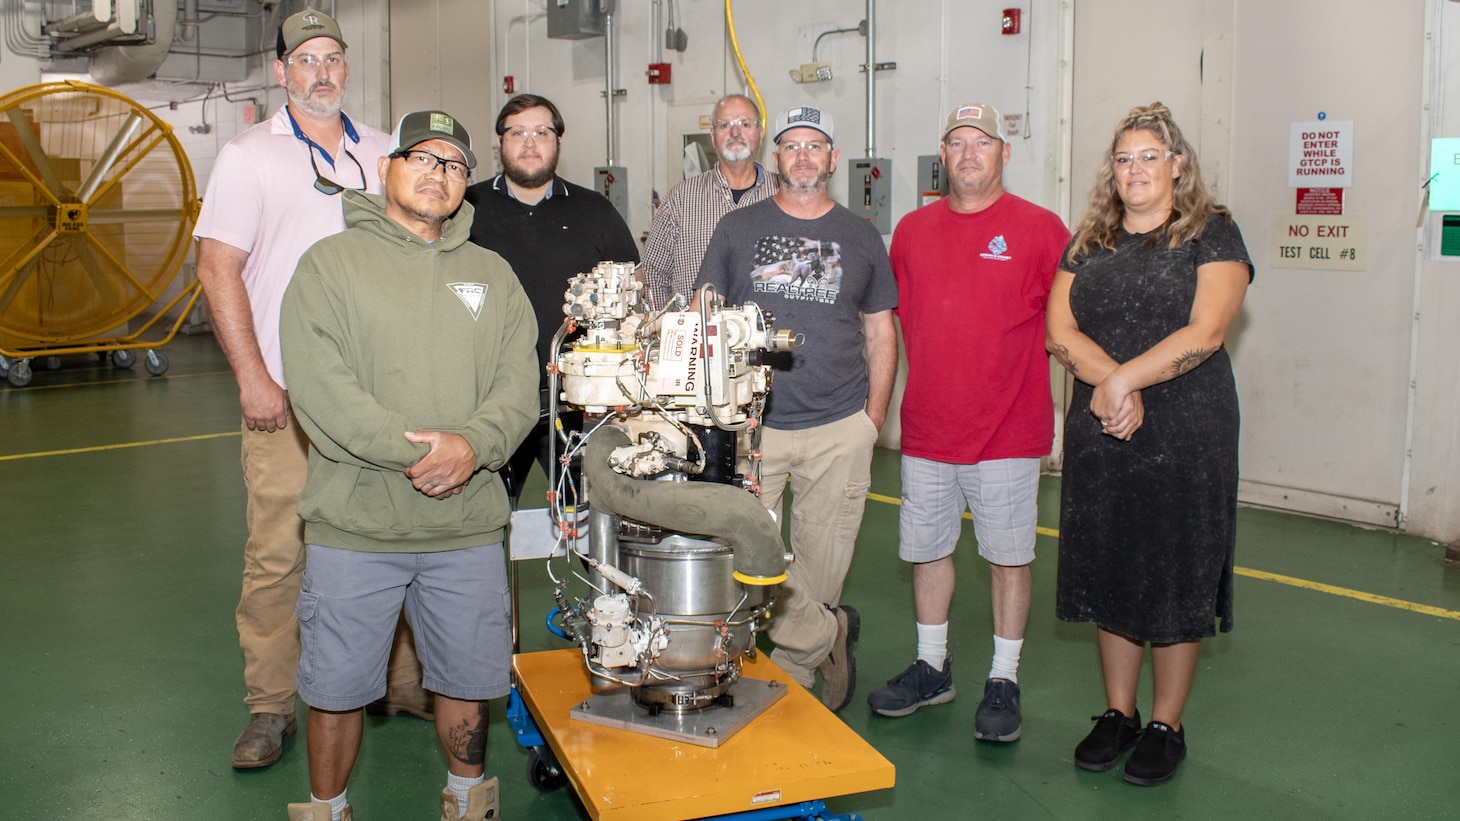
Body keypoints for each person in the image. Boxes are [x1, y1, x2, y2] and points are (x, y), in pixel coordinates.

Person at [278, 110, 539, 821]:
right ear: (386, 167)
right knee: (335, 688)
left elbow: (520, 384)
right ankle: (327, 809)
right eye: (421, 157)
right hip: (356, 526)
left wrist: (473, 447)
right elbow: (322, 389)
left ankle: (468, 803)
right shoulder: (330, 265)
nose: (437, 173)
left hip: (465, 527)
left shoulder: (492, 274)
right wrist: (424, 454)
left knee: (468, 678)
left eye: (453, 164)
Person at [193, 9, 427, 771]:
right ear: (282, 72)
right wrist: (254, 377)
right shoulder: (249, 156)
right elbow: (217, 267)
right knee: (278, 553)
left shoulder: (385, 151)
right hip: (289, 397)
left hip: (381, 393)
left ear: (346, 68)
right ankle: (270, 704)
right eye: (306, 59)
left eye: (332, 57)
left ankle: (399, 681)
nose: (321, 72)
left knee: (393, 538)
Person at [1046, 102, 1252, 786]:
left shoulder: (1212, 232)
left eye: (1149, 157)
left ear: (1178, 165)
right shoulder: (1089, 239)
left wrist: (1123, 380)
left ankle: (1166, 722)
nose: (1134, 169)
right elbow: (1059, 329)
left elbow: (1207, 330)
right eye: (1123, 158)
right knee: (1110, 563)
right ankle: (1118, 712)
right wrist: (1114, 385)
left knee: (1173, 569)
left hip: (1187, 429)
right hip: (1103, 426)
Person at [867, 103, 1069, 743]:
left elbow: (1067, 326)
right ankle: (933, 666)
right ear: (943, 156)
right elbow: (888, 325)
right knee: (928, 550)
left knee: (1009, 558)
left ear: (1004, 152)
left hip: (1007, 430)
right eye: (957, 142)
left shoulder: (1041, 230)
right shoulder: (911, 231)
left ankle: (1004, 678)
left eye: (982, 141)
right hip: (928, 428)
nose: (969, 153)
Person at [695, 105, 898, 712]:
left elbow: (880, 331)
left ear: (833, 159)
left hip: (839, 425)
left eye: (815, 145)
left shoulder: (861, 235)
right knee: (739, 555)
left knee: (822, 562)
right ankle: (823, 634)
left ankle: (794, 676)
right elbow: (706, 316)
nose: (803, 156)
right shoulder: (738, 228)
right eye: (792, 145)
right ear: (775, 157)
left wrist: (872, 421)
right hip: (752, 426)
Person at [464, 93, 640, 502]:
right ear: (500, 143)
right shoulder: (467, 208)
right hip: (486, 396)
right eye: (517, 133)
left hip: (574, 397)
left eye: (541, 132)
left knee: (586, 512)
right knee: (481, 513)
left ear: (558, 141)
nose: (529, 143)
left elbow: (632, 291)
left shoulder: (595, 211)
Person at [642, 93, 778, 310]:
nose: (735, 133)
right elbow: (653, 274)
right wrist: (671, 325)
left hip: (769, 331)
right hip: (696, 330)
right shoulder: (681, 199)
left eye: (745, 124)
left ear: (760, 135)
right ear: (713, 137)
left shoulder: (783, 195)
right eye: (725, 125)